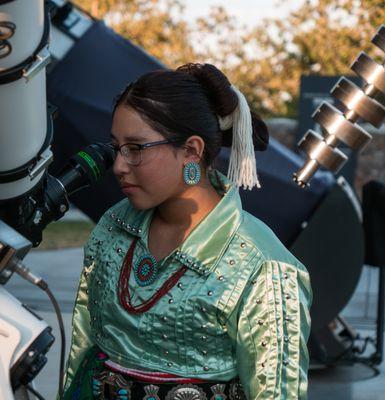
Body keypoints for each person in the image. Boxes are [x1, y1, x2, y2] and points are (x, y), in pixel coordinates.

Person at [62, 63, 312, 400]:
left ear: (191, 151)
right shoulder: (113, 226)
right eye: (116, 147)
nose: (119, 166)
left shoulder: (262, 267)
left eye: (135, 148)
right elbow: (82, 346)